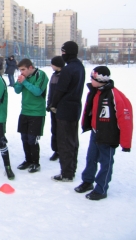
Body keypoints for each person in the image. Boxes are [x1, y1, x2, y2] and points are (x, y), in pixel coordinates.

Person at [75, 66, 133, 200]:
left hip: (109, 135)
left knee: (105, 163)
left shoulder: (115, 95)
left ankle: (101, 189)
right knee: (91, 158)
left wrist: (126, 143)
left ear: (100, 80)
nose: (90, 80)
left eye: (92, 78)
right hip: (96, 132)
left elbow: (125, 120)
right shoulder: (94, 92)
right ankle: (88, 181)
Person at [49, 41, 85, 182]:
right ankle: (71, 169)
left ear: (68, 52)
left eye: (63, 52)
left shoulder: (68, 69)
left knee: (64, 142)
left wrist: (53, 104)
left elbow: (60, 90)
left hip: (65, 109)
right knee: (72, 141)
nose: (62, 55)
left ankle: (67, 173)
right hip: (75, 108)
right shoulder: (79, 67)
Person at [14, 58, 49, 173]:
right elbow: (17, 90)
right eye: (20, 70)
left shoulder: (41, 75)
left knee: (32, 139)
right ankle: (28, 160)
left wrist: (25, 82)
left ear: (30, 67)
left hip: (37, 112)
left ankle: (35, 162)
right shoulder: (24, 77)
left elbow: (38, 91)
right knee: (24, 138)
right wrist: (19, 82)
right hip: (25, 111)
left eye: (23, 69)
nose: (21, 72)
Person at [46, 56, 65, 161]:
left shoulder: (64, 76)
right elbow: (51, 92)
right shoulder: (53, 76)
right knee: (54, 129)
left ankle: (63, 151)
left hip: (61, 109)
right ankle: (56, 150)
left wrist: (58, 105)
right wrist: (49, 104)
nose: (51, 66)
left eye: (52, 64)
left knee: (62, 131)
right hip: (53, 108)